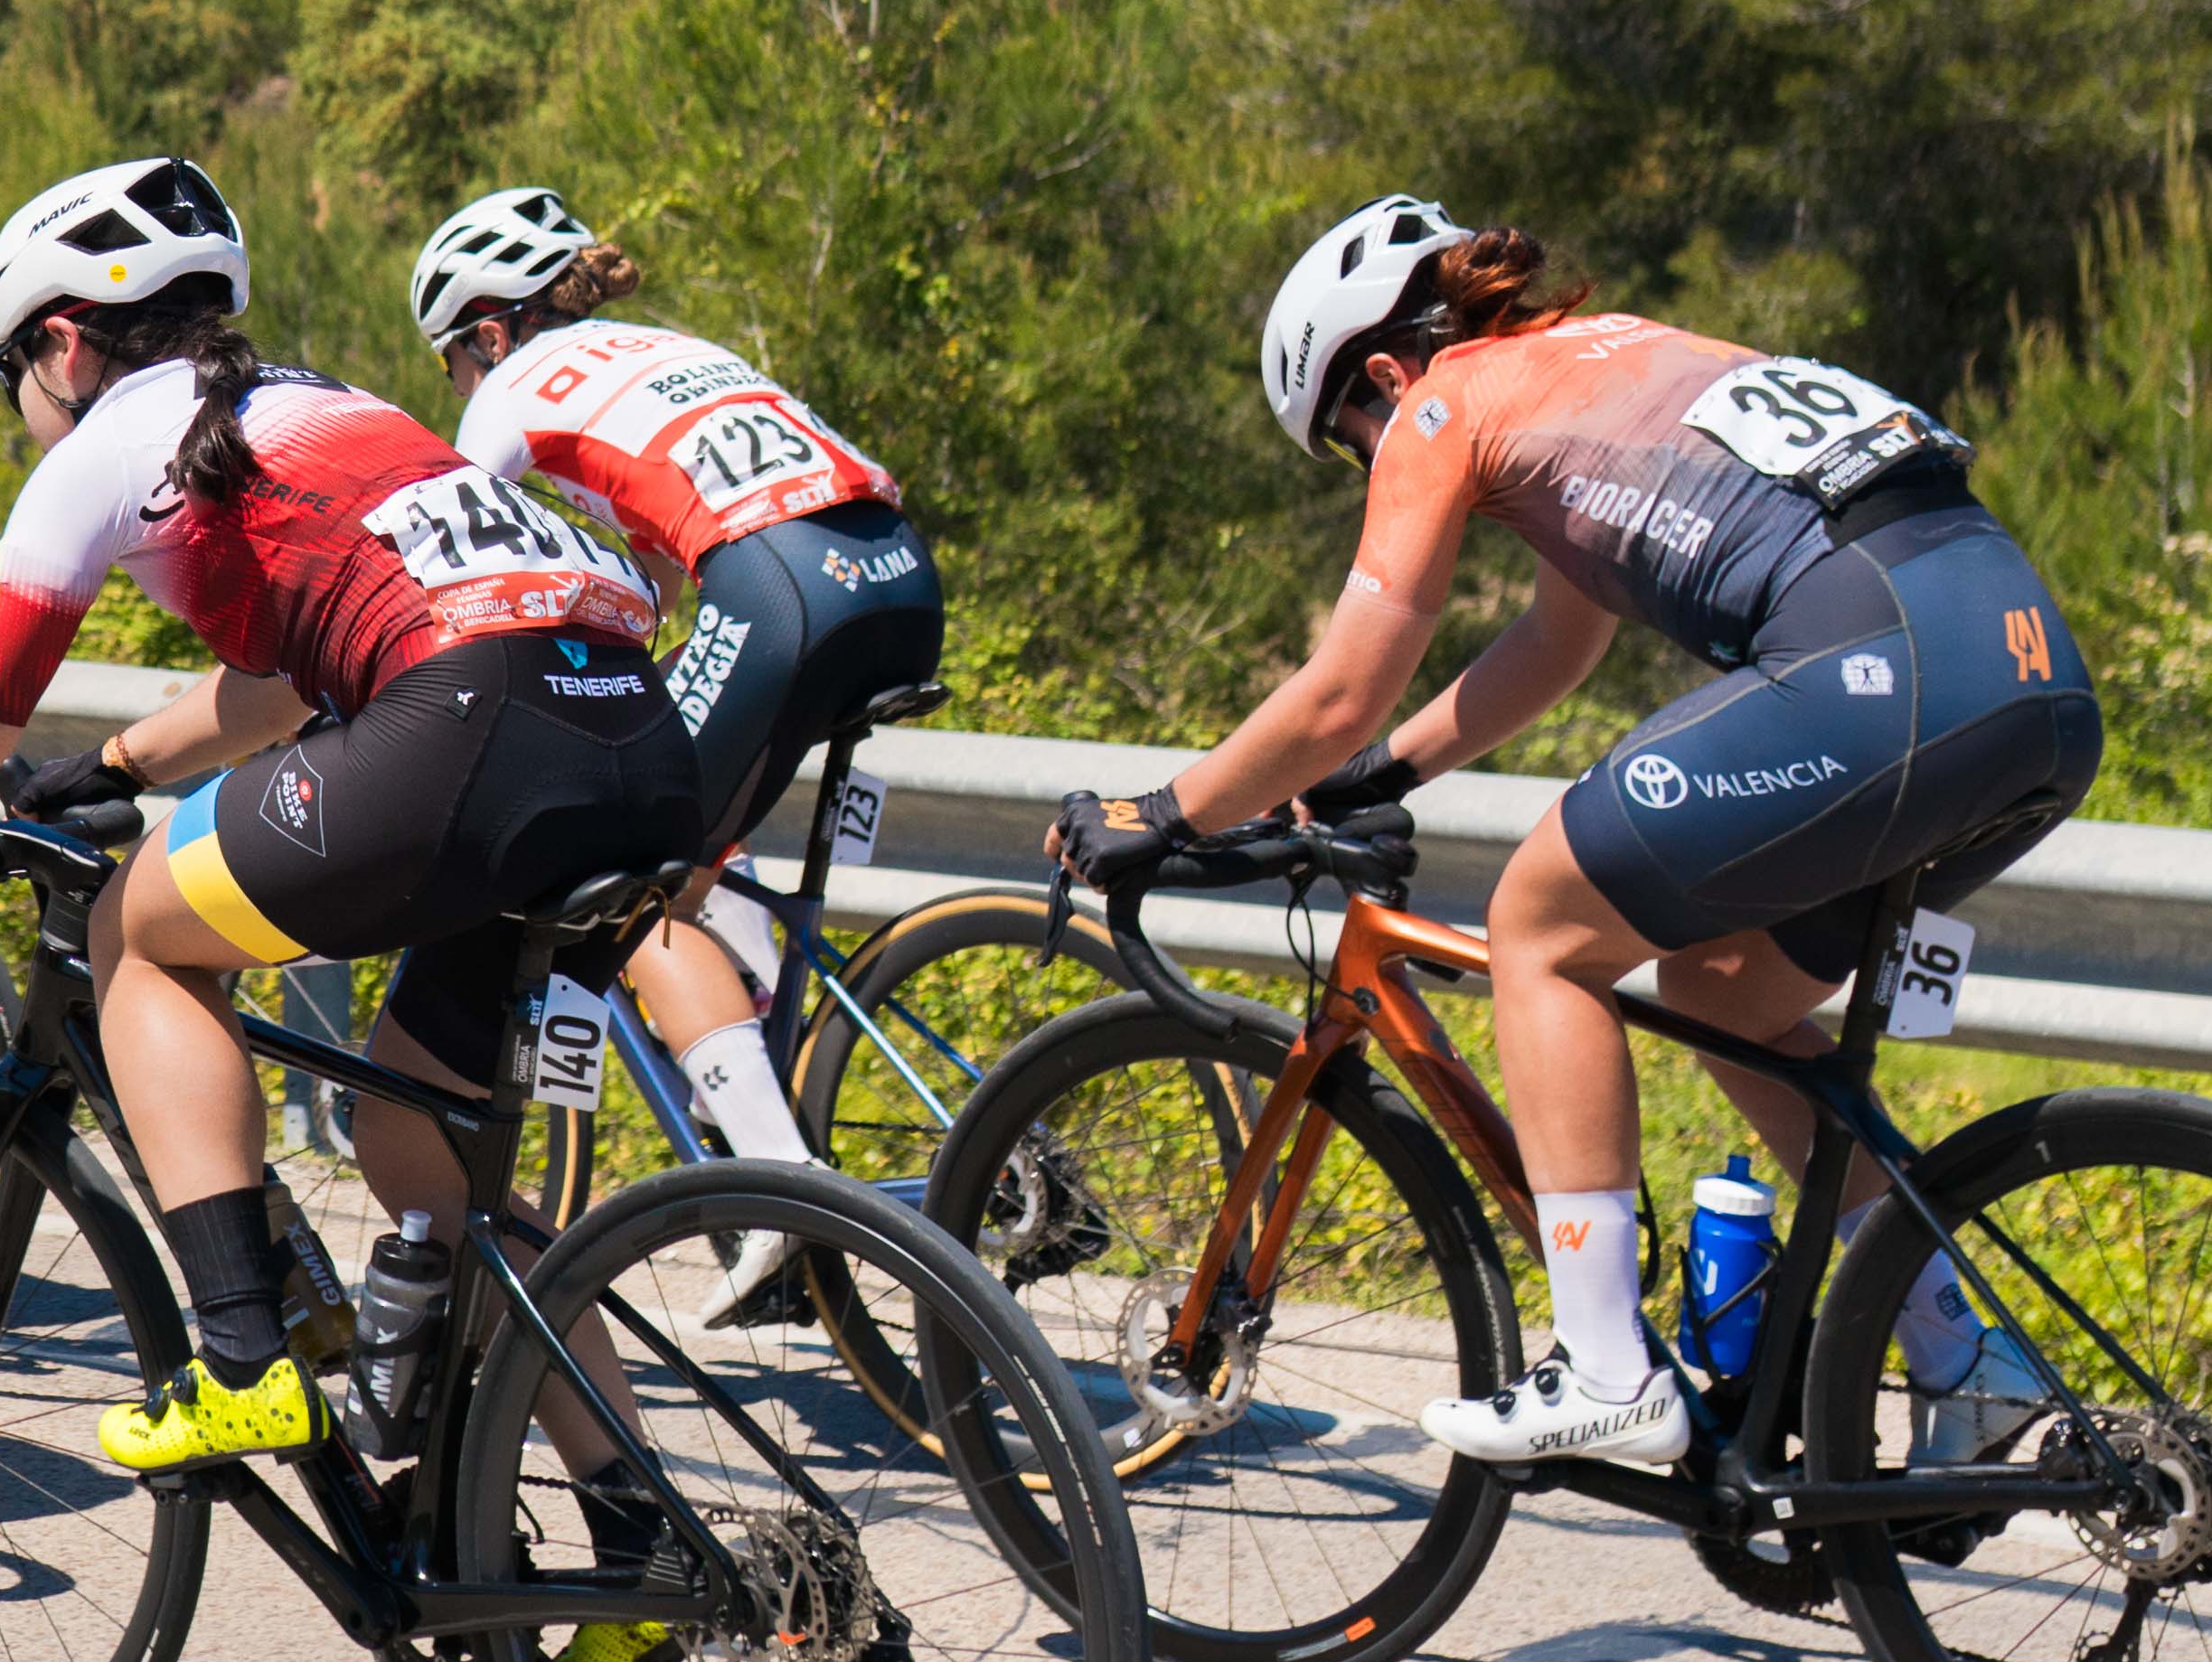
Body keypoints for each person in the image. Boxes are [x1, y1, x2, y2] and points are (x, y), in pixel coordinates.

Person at [0, 154, 708, 1523]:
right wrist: (109, 763)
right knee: (414, 1142)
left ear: (61, 341)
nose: (20, 412)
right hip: (639, 745)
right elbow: (293, 683)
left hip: (472, 728)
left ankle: (240, 1351)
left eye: (10, 375)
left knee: (138, 930)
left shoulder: (118, 440)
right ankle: (638, 1534)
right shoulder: (327, 405)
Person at [1054, 199, 2106, 1473]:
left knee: (1540, 930)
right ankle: (1961, 1353)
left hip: (1884, 669)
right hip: (2030, 684)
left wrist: (1161, 813)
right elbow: (1560, 640)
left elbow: (1339, 688)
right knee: (1729, 991)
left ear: (1385, 372)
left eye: (1351, 437)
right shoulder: (1608, 356)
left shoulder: (1445, 405)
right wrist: (1380, 776)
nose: (1372, 462)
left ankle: (1604, 1366)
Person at [408, 187, 948, 1322]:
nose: (459, 387)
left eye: (452, 361)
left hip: (785, 591)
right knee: (686, 843)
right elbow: (651, 590)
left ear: (488, 333)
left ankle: (776, 1191)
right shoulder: (664, 349)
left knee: (630, 890)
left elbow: (464, 580)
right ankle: (763, 1065)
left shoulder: (509, 390)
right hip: (893, 575)